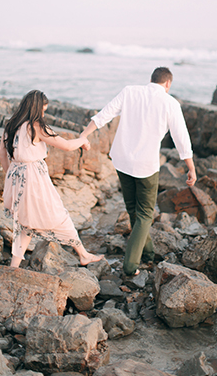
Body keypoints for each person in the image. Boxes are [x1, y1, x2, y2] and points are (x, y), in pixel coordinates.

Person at [80, 67, 196, 276]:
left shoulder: (130, 91)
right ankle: (130, 265)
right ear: (168, 83)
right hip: (146, 165)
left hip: (122, 160)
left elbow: (103, 115)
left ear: (150, 80)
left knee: (133, 208)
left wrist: (83, 135)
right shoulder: (170, 103)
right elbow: (181, 138)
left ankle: (148, 254)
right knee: (145, 215)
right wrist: (191, 167)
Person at [0, 89, 103, 268]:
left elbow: (2, 154)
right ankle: (84, 255)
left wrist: (11, 176)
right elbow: (67, 146)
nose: (43, 114)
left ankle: (14, 267)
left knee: (25, 222)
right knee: (57, 214)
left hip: (15, 177)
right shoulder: (36, 126)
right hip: (33, 178)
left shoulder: (10, 125)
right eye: (43, 110)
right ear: (37, 108)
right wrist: (82, 140)